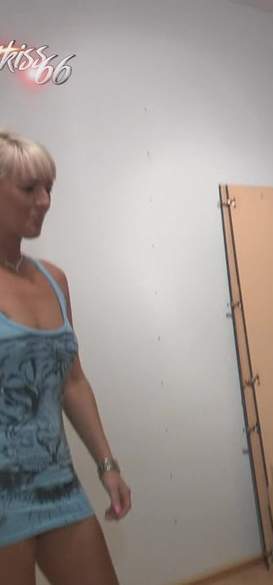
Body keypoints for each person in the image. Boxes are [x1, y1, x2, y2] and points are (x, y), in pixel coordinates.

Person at [0, 130, 132, 585]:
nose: (44, 201)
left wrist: (106, 463)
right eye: (29, 188)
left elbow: (72, 382)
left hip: (57, 484)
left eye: (48, 188)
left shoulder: (53, 279)